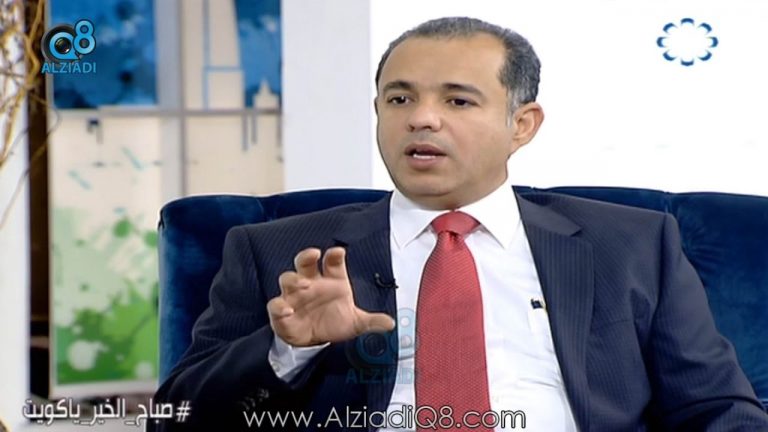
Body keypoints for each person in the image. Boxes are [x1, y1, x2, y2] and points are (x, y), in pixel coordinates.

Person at [151, 17, 768, 431]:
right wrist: (290, 348)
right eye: (399, 99)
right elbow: (176, 418)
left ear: (522, 124)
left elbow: (719, 409)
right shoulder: (278, 250)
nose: (422, 119)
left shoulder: (631, 244)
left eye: (457, 100)